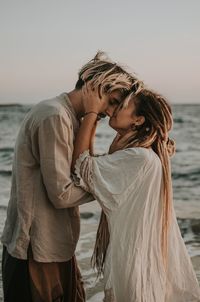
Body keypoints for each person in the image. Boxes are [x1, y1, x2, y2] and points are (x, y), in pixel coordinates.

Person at [1, 51, 141, 302]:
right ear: (94, 85)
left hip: (54, 246)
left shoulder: (69, 118)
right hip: (37, 252)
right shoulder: (54, 116)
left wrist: (92, 121)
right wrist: (112, 186)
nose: (111, 113)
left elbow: (82, 171)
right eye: (112, 101)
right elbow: (62, 194)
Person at [72, 85, 200, 302]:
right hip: (136, 257)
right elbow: (92, 167)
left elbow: (81, 167)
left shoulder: (138, 157)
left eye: (122, 106)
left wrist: (91, 114)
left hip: (134, 261)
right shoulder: (140, 155)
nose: (114, 110)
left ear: (138, 120)